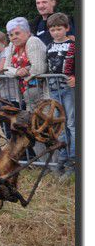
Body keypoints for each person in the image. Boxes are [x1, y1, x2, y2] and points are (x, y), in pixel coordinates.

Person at [45, 12, 75, 171]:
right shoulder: (49, 47)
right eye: (53, 30)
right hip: (53, 88)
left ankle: (74, 159)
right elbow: (45, 65)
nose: (56, 32)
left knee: (71, 123)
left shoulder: (73, 45)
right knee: (60, 124)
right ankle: (63, 157)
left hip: (68, 89)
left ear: (67, 28)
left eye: (59, 29)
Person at [3, 16, 47, 110]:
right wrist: (17, 72)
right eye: (11, 35)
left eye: (17, 33)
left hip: (41, 90)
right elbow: (5, 68)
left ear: (27, 32)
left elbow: (39, 68)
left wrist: (25, 71)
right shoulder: (12, 45)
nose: (14, 37)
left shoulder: (33, 41)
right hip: (25, 92)